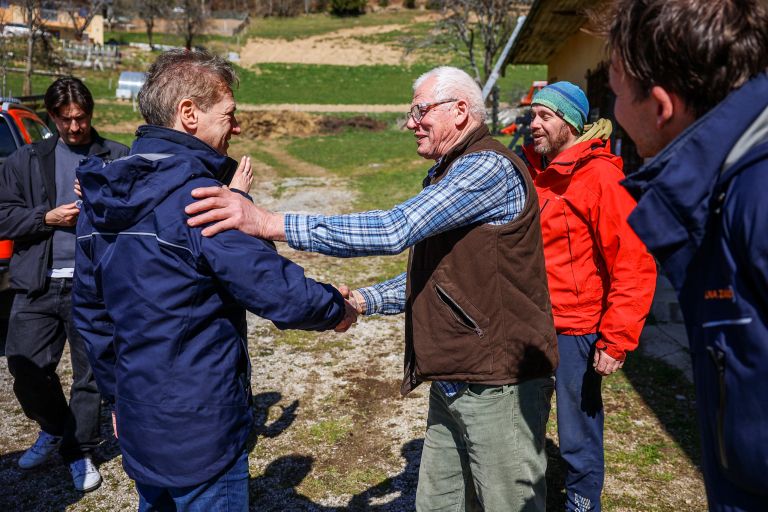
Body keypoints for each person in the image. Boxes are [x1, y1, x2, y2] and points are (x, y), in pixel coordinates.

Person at [185, 66, 559, 511]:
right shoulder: (453, 169)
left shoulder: (486, 168)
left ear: (461, 111)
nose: (409, 123)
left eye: (420, 110)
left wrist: (268, 222)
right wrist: (363, 300)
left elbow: (393, 229)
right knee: (437, 504)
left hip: (498, 384)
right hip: (457, 379)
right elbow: (442, 277)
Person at [72, 49, 356, 511]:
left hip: (140, 426)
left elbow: (92, 320)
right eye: (229, 114)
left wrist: (118, 398)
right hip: (201, 432)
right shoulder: (200, 199)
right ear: (189, 113)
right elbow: (274, 288)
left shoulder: (100, 200)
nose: (237, 127)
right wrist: (336, 307)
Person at [603, 0, 768, 510]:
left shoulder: (757, 192)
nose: (612, 113)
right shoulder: (730, 183)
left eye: (614, 95)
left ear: (659, 105)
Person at [521, 82, 657, 511]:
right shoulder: (534, 172)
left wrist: (616, 338)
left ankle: (582, 503)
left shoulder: (601, 177)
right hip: (530, 325)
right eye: (533, 115)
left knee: (578, 433)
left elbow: (634, 260)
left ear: (571, 123)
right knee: (522, 425)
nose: (534, 124)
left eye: (545, 116)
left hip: (578, 329)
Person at [0, 77, 128, 492]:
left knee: (89, 375)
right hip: (37, 283)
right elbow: (4, 217)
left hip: (93, 286)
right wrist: (46, 219)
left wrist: (102, 203)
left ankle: (80, 451)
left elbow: (136, 217)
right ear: (52, 117)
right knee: (23, 364)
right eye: (66, 119)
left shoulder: (117, 157)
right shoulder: (25, 159)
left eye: (82, 118)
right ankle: (55, 428)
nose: (75, 127)